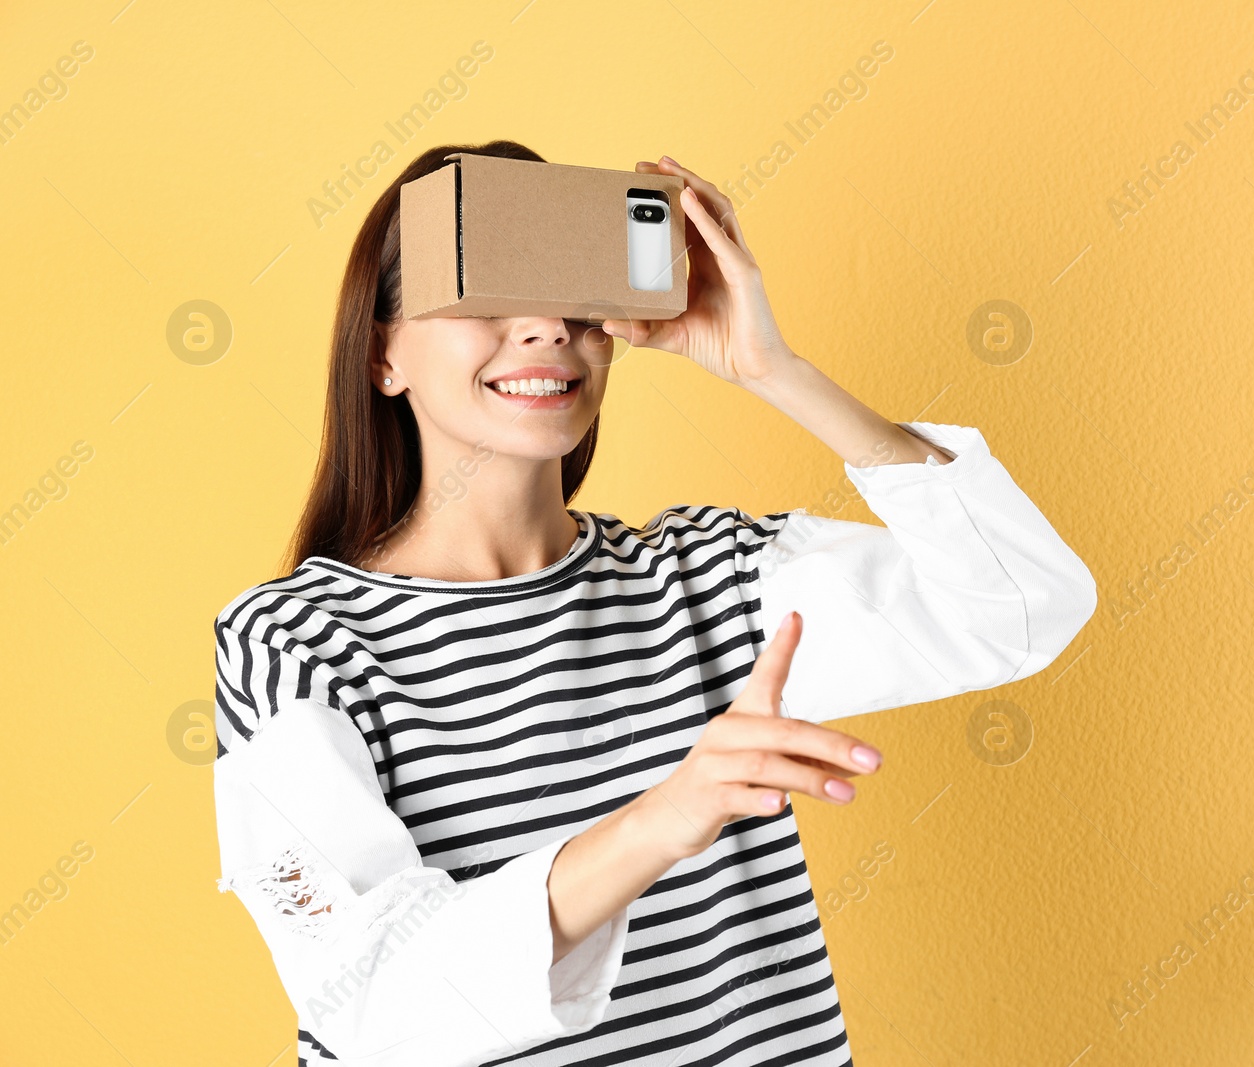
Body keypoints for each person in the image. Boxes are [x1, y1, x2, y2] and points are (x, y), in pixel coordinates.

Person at [210, 140, 1096, 1067]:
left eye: (574, 294)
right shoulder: (294, 642)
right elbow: (377, 1011)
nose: (546, 325)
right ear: (383, 351)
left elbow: (1020, 607)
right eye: (486, 289)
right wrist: (668, 813)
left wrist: (773, 370)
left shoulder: (707, 574)